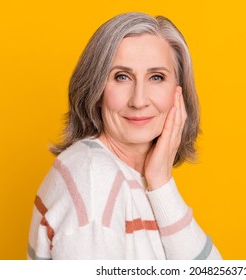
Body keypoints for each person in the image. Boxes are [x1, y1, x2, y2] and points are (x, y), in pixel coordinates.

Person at [27, 12, 222, 260]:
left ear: (178, 92)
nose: (139, 100)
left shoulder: (140, 179)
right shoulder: (94, 177)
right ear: (96, 88)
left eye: (156, 77)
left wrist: (161, 182)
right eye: (122, 77)